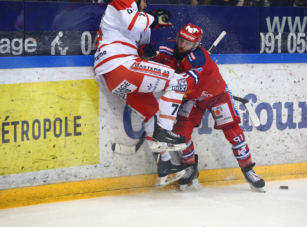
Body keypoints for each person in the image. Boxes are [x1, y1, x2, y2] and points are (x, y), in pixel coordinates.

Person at [139, 23, 266, 192]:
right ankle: (190, 168)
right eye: (181, 40)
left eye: (188, 43)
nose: (182, 45)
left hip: (216, 95)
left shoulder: (198, 58)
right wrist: (145, 54)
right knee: (179, 135)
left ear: (196, 45)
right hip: (193, 99)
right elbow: (144, 51)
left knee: (232, 131)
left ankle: (249, 170)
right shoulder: (166, 46)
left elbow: (182, 84)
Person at [93, 0, 195, 187]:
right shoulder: (121, 3)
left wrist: (147, 54)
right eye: (143, 1)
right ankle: (164, 131)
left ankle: (164, 163)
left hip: (116, 80)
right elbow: (135, 22)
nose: (145, 3)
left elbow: (142, 54)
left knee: (152, 113)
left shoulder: (143, 22)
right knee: (178, 80)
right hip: (118, 65)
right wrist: (154, 18)